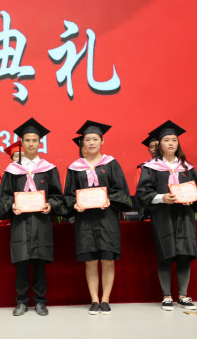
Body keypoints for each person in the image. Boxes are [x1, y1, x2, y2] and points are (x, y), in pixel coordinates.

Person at [63, 121, 133, 315]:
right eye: (88, 140)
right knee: (91, 261)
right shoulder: (75, 168)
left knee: (108, 259)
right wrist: (74, 204)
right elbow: (68, 195)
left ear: (102, 141)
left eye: (95, 139)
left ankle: (105, 299)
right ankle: (94, 299)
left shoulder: (111, 164)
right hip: (85, 220)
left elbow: (121, 191)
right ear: (82, 143)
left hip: (107, 218)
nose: (91, 143)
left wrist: (109, 200)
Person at [136, 121, 197, 311]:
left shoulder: (187, 167)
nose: (171, 143)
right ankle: (167, 296)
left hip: (184, 215)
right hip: (163, 215)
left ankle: (183, 296)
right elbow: (143, 193)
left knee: (184, 254)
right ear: (159, 144)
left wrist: (193, 200)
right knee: (166, 254)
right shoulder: (151, 167)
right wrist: (162, 198)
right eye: (166, 140)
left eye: (174, 140)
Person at [0, 118, 64, 317]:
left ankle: (41, 301)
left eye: (34, 140)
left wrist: (50, 205)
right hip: (20, 222)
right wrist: (12, 206)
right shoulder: (12, 170)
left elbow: (57, 195)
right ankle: (22, 301)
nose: (31, 144)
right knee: (22, 262)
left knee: (40, 262)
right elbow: (4, 197)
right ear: (22, 143)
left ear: (39, 143)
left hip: (41, 221)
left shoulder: (48, 168)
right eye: (27, 140)